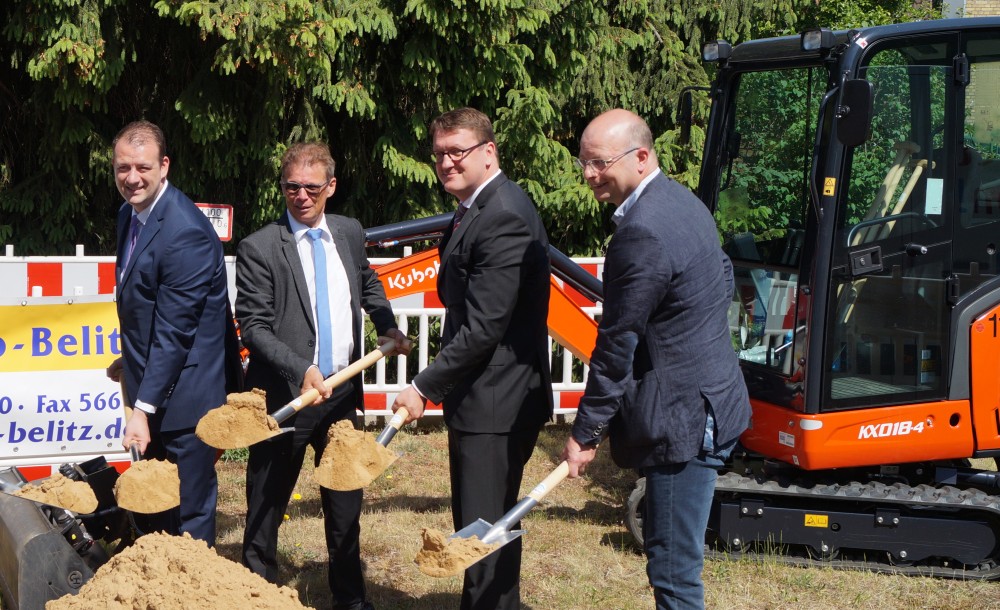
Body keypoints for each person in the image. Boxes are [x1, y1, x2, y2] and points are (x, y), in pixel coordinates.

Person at [560, 109, 751, 610]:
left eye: (599, 162)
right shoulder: (685, 202)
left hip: (684, 420)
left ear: (641, 158)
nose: (588, 174)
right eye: (583, 163)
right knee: (678, 566)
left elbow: (617, 342)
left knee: (672, 573)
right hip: (713, 398)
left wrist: (585, 434)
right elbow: (722, 277)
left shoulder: (642, 231)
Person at [236, 141, 409, 610]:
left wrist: (386, 322)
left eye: (312, 187)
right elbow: (253, 323)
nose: (301, 196)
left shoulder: (349, 232)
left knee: (345, 502)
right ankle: (258, 594)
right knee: (267, 502)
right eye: (292, 187)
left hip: (342, 395)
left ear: (331, 187)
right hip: (288, 397)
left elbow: (367, 278)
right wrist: (303, 369)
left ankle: (350, 599)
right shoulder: (260, 246)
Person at [391, 107, 552, 610]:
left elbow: (485, 327)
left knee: (481, 536)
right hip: (487, 398)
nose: (446, 162)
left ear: (489, 152)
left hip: (497, 402)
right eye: (439, 154)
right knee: (491, 527)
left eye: (457, 151)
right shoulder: (477, 206)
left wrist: (421, 387)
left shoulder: (501, 213)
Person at [106, 119, 239, 545]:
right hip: (155, 386)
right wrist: (130, 361)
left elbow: (176, 330)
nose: (131, 178)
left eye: (142, 168)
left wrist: (141, 410)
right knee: (152, 508)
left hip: (187, 402)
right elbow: (144, 305)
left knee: (188, 513)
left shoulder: (185, 232)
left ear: (164, 166)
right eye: (123, 167)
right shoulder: (131, 214)